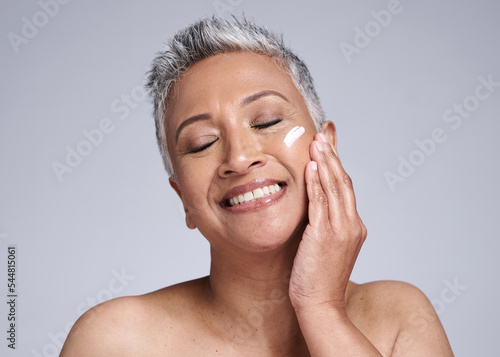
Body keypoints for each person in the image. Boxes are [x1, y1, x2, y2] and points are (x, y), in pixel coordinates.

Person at [61, 17, 454, 356]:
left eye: (265, 121)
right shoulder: (114, 341)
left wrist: (321, 308)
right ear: (183, 199)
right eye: (202, 143)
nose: (238, 157)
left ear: (327, 146)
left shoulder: (400, 316)